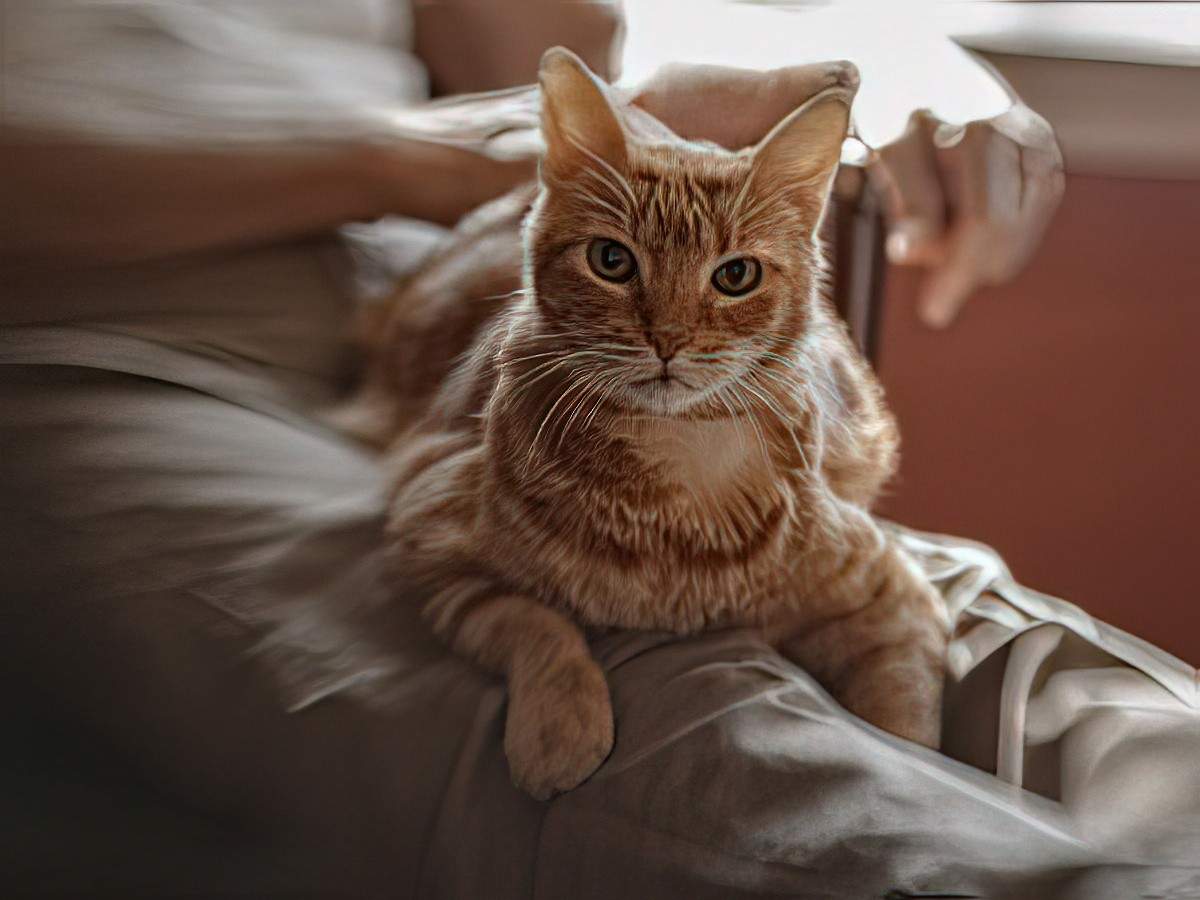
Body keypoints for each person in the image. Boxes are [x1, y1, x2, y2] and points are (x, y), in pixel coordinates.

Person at [6, 2, 1193, 898]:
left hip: (453, 282)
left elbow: (556, 55)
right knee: (655, 692)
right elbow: (496, 134)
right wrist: (410, 159)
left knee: (948, 614)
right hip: (111, 330)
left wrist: (865, 64)